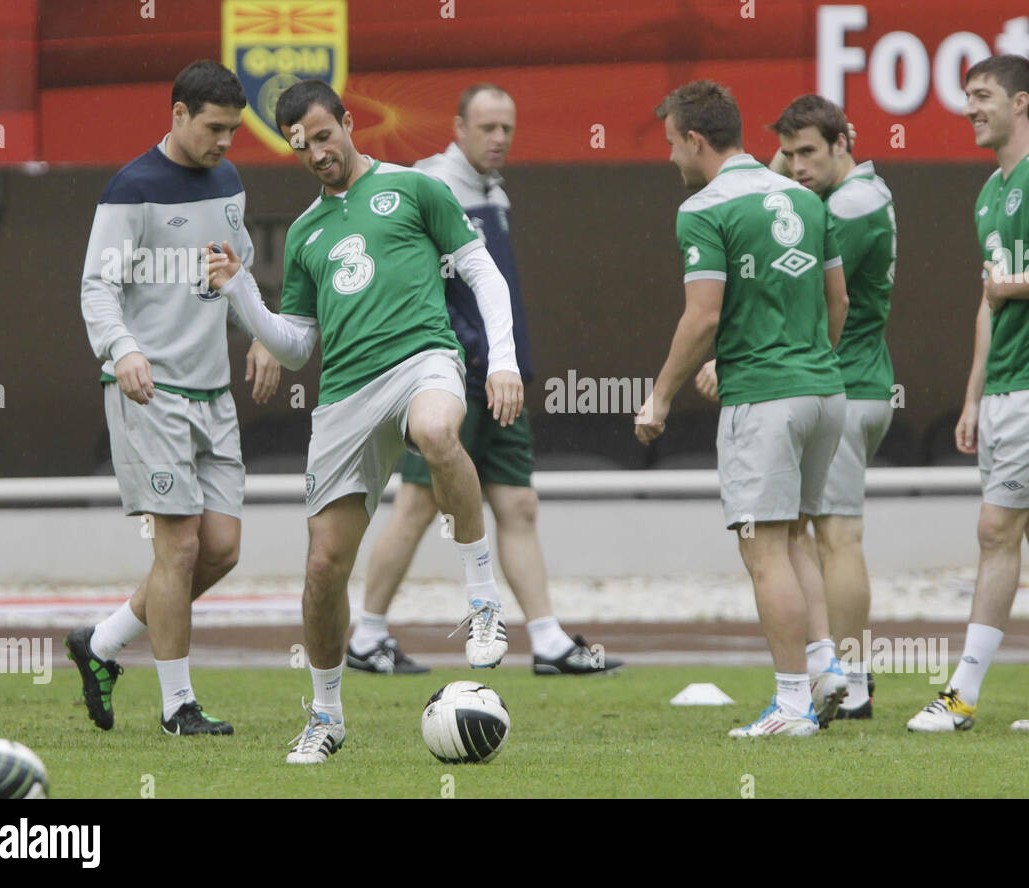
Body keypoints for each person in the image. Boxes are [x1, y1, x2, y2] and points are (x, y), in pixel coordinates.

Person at [207, 79, 524, 764]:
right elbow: (295, 345)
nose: (317, 154)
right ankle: (326, 715)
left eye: (325, 136)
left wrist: (503, 362)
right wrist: (241, 294)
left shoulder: (416, 190)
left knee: (439, 432)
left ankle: (483, 600)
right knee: (323, 567)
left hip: (422, 359)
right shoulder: (304, 233)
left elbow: (483, 273)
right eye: (302, 147)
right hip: (346, 396)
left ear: (349, 124)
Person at [346, 84, 620, 677]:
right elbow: (417, 286)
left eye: (507, 129)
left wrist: (507, 362)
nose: (499, 139)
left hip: (504, 378)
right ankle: (365, 636)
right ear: (459, 127)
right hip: (451, 376)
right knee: (418, 504)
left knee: (518, 504)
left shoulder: (495, 193)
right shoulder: (427, 184)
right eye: (488, 127)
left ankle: (545, 641)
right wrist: (467, 355)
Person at [69, 59, 281, 736]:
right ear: (179, 115)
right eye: (214, 128)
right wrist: (122, 350)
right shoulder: (131, 189)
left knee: (221, 549)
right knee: (180, 546)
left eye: (234, 130)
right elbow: (97, 288)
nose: (225, 142)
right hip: (149, 390)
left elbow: (236, 266)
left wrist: (263, 334)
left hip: (213, 392)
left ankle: (102, 643)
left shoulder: (228, 180)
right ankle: (176, 706)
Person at [635, 80, 850, 737]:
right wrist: (806, 357)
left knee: (763, 550)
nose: (671, 158)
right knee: (795, 537)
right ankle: (825, 665)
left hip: (766, 399)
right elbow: (837, 300)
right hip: (824, 392)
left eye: (673, 144)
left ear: (696, 140)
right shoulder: (807, 199)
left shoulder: (704, 209)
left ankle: (791, 707)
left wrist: (660, 395)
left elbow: (703, 317)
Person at [906, 55, 1029, 733]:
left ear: (1021, 102)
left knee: (997, 529)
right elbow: (988, 304)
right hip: (1011, 383)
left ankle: (961, 695)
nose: (970, 107)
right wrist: (972, 396)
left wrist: (1009, 285)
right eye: (966, 95)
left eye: (983, 94)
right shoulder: (990, 193)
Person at [697, 96, 896, 719]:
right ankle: (832, 670)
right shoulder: (856, 197)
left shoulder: (844, 208)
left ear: (845, 143)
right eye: (788, 152)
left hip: (842, 380)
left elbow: (809, 291)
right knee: (813, 534)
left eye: (809, 151)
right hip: (853, 380)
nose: (797, 165)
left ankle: (850, 679)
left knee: (835, 537)